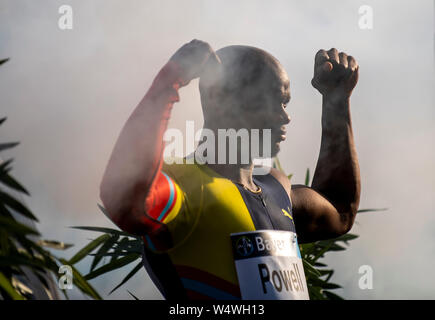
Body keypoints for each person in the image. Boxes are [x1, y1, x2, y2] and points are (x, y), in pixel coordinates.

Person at [99, 39, 361, 300]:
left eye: (285, 103)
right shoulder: (183, 185)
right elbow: (124, 199)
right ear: (218, 98)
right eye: (272, 102)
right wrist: (168, 82)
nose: (285, 117)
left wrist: (336, 100)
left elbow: (339, 210)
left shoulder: (275, 186)